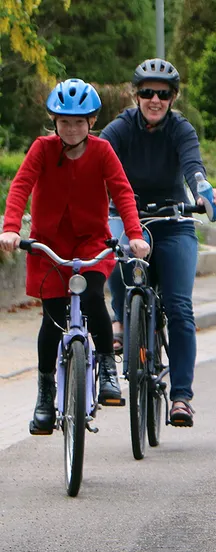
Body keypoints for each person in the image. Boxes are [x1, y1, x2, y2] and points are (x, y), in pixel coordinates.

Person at [0, 79, 150, 433]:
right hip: (48, 246)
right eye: (64, 121)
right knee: (51, 319)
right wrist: (10, 228)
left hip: (90, 245)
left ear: (92, 122)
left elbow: (123, 192)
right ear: (54, 121)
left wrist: (133, 235)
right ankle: (44, 394)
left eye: (79, 121)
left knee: (95, 298)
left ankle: (108, 369)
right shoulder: (41, 149)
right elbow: (21, 185)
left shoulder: (101, 152)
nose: (71, 129)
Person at [102, 58, 216, 427]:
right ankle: (121, 317)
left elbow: (193, 166)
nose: (155, 99)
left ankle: (181, 396)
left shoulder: (180, 129)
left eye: (163, 94)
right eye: (147, 92)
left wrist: (203, 192)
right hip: (128, 216)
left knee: (180, 307)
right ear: (135, 95)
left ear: (173, 97)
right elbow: (97, 160)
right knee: (113, 246)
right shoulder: (120, 128)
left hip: (173, 221)